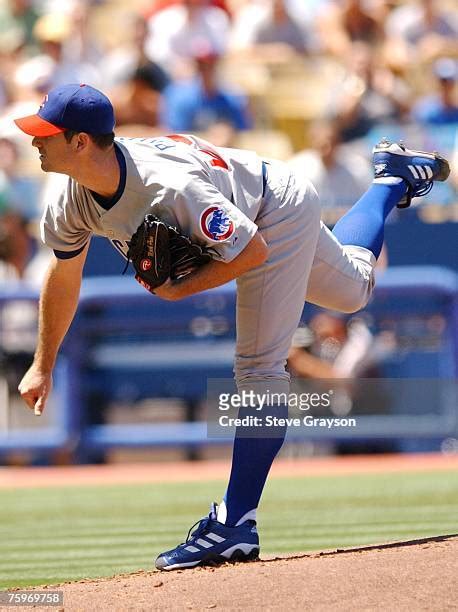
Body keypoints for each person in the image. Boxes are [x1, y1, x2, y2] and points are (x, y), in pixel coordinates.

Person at [14, 83, 449, 571]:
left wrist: (181, 289)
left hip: (270, 213)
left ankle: (235, 523)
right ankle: (390, 182)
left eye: (46, 133)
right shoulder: (73, 198)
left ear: (80, 142)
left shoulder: (167, 188)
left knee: (259, 368)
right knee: (354, 290)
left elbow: (253, 250)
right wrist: (42, 364)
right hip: (264, 194)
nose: (34, 141)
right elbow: (64, 275)